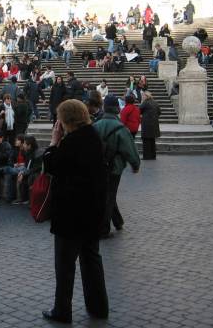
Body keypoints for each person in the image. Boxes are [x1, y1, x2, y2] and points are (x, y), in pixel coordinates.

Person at [42, 100, 109, 323]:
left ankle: (62, 310)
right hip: (93, 212)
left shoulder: (70, 143)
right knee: (92, 261)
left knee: (65, 265)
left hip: (70, 214)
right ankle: (99, 307)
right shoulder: (93, 137)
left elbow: (51, 166)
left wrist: (54, 142)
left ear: (66, 120)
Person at [94, 96, 140, 238]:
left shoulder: (95, 125)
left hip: (97, 166)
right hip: (114, 167)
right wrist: (135, 164)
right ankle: (103, 229)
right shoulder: (121, 128)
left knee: (107, 193)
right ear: (117, 109)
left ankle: (118, 221)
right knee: (110, 194)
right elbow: (129, 149)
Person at [139, 92, 161, 159]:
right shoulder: (155, 102)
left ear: (146, 96)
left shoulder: (145, 102)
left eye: (143, 96)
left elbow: (139, 110)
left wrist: (142, 102)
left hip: (147, 125)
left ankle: (146, 156)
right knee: (152, 141)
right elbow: (159, 112)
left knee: (146, 141)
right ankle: (153, 155)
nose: (142, 97)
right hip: (154, 124)